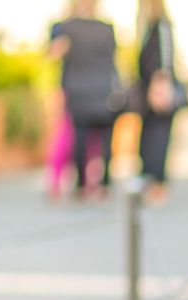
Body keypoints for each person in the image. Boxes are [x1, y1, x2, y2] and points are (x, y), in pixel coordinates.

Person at [49, 0, 119, 200]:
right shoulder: (106, 29)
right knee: (104, 139)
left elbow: (54, 53)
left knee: (80, 138)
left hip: (78, 89)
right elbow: (113, 60)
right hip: (102, 89)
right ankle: (104, 185)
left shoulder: (65, 27)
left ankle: (81, 186)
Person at [135, 0, 181, 205]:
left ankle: (158, 184)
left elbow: (165, 58)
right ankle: (149, 180)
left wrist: (160, 85)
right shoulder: (148, 27)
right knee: (147, 139)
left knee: (159, 140)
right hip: (148, 93)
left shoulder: (161, 25)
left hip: (158, 92)